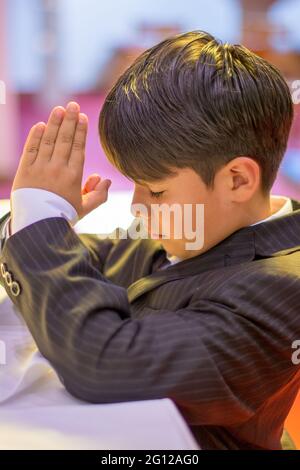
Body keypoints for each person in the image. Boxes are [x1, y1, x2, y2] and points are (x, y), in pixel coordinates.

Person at [0, 30, 299, 450]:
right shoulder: (197, 226)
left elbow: (105, 363)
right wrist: (40, 226)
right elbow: (81, 260)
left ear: (237, 179)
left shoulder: (283, 287)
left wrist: (42, 224)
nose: (137, 206)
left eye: (155, 190)